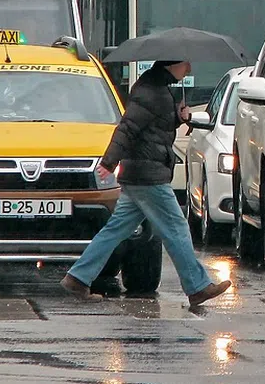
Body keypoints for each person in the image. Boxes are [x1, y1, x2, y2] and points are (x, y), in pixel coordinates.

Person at [60, 60, 232, 305]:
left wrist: (179, 118)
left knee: (115, 230)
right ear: (173, 64)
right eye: (186, 64)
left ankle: (77, 278)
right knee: (177, 228)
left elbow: (152, 127)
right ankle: (197, 287)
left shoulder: (156, 89)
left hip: (140, 172)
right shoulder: (152, 92)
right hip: (147, 175)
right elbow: (127, 128)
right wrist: (109, 162)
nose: (189, 70)